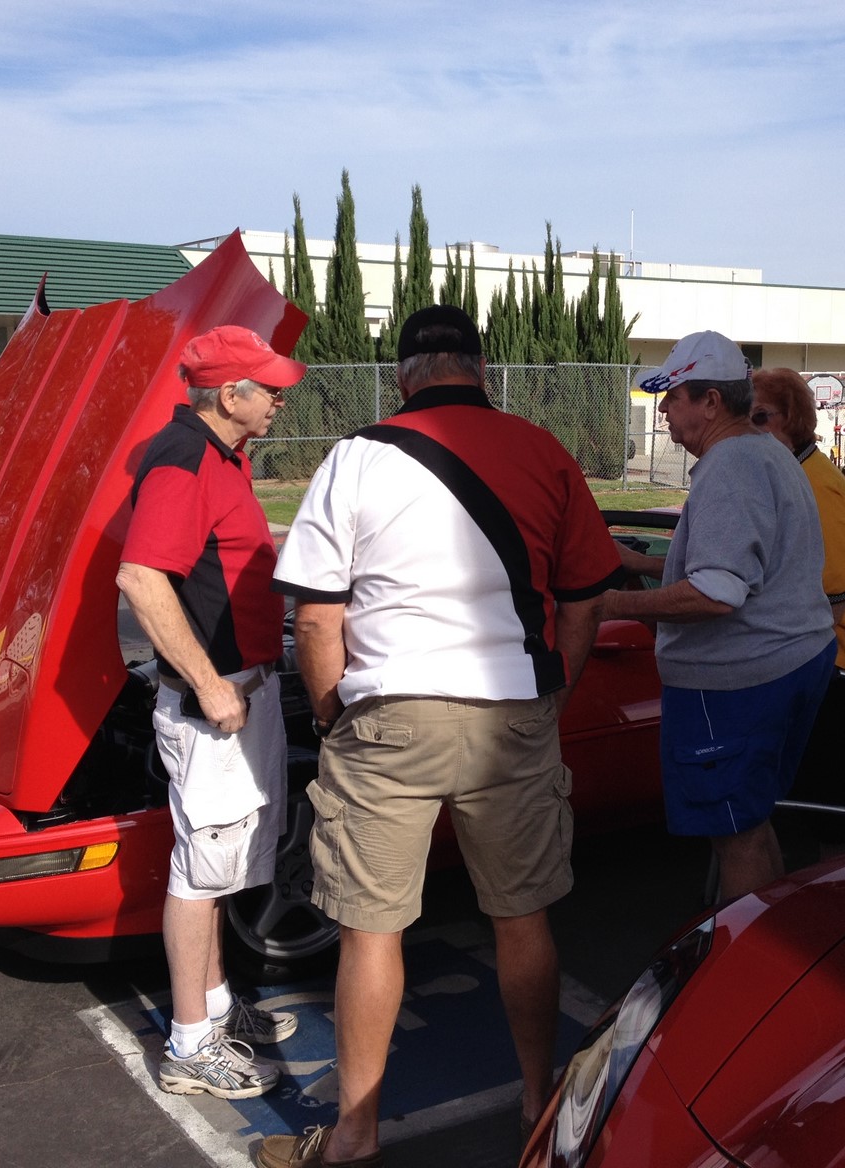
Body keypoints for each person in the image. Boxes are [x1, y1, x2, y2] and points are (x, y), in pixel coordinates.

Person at [258, 305, 623, 1168]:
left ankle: (355, 1133)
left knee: (371, 932)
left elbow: (316, 615)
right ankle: (538, 1103)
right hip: (511, 711)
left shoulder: (354, 457)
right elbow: (586, 598)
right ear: (482, 370)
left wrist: (329, 712)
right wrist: (554, 693)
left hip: (390, 713)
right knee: (521, 917)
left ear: (402, 378)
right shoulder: (544, 451)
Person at [116, 325, 304, 1100]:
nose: (279, 402)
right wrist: (211, 682)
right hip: (214, 707)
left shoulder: (222, 453)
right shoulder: (186, 457)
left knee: (222, 865)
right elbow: (141, 576)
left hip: (240, 692)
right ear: (230, 395)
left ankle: (218, 1009)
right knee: (199, 874)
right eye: (269, 390)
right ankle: (191, 1046)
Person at [604, 332, 837, 904]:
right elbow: (741, 565)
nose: (662, 409)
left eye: (672, 396)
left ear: (710, 401)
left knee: (737, 838)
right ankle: (769, 942)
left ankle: (746, 971)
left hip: (737, 683)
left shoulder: (728, 466)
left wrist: (610, 604)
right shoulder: (767, 452)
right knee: (752, 824)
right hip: (790, 661)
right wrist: (643, 562)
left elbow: (717, 592)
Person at [750, 368, 845, 675]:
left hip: (844, 658)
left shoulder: (814, 480)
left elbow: (841, 582)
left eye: (759, 417)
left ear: (789, 418)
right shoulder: (794, 469)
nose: (749, 428)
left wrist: (800, 659)